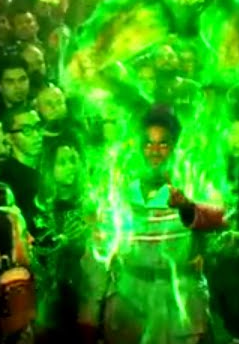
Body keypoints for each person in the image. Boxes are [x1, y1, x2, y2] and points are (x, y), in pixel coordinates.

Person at [96, 106, 226, 344]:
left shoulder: (193, 186)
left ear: (175, 147)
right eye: (148, 144)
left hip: (179, 305)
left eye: (163, 144)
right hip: (130, 300)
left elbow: (220, 218)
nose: (154, 151)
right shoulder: (122, 189)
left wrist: (188, 207)